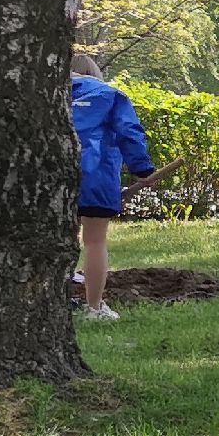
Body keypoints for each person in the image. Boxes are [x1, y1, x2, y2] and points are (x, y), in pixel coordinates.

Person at [69, 55, 155, 321]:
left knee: (55, 240)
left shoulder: (45, 94)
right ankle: (93, 308)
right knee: (94, 241)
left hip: (51, 176)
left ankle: (52, 302)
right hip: (96, 175)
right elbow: (129, 131)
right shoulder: (110, 95)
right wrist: (142, 168)